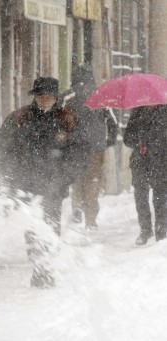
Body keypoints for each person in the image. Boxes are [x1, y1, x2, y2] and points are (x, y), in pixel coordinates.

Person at [0, 76, 88, 287]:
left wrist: (64, 176)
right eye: (41, 96)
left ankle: (48, 267)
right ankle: (38, 267)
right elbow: (3, 149)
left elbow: (80, 154)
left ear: (56, 98)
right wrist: (12, 176)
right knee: (31, 229)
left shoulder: (68, 119)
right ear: (35, 97)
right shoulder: (19, 118)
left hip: (54, 186)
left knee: (51, 226)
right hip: (26, 185)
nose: (44, 101)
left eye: (49, 97)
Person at [64, 65, 118, 230]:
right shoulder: (101, 100)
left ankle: (78, 206)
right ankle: (91, 219)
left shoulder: (69, 100)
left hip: (75, 148)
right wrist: (109, 141)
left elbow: (62, 124)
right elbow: (113, 124)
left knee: (77, 180)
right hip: (96, 147)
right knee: (93, 181)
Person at [123, 105, 167, 245]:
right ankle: (145, 229)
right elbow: (127, 139)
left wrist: (154, 144)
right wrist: (139, 141)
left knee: (160, 196)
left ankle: (161, 231)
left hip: (161, 161)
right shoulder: (137, 113)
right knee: (140, 195)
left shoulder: (164, 112)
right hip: (140, 161)